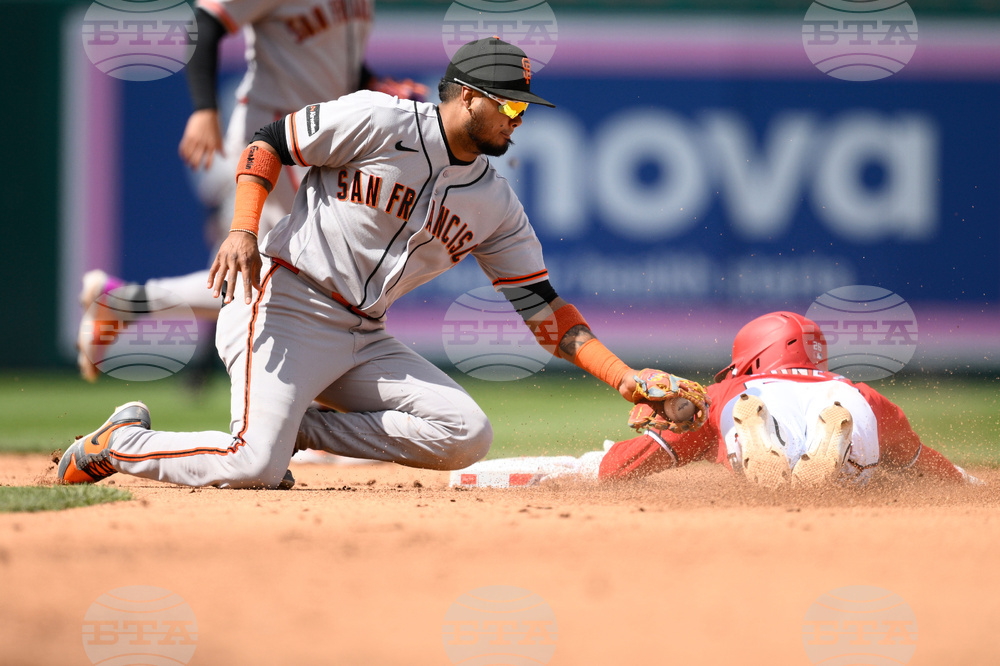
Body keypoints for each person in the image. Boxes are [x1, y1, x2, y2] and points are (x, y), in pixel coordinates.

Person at [58, 37, 710, 489]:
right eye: (510, 105)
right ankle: (118, 443)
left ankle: (291, 424)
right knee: (253, 466)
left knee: (465, 433)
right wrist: (242, 229)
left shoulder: (494, 202)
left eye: (524, 109)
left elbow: (542, 309)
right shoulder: (379, 119)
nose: (519, 120)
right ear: (469, 98)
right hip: (281, 306)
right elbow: (268, 143)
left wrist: (624, 378)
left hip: (362, 335)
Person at [76, 0, 426, 382]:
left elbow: (328, 58)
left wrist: (370, 83)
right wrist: (203, 109)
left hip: (323, 137)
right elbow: (204, 23)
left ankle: (122, 302)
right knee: (306, 270)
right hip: (277, 138)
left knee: (269, 272)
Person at [450, 311, 980, 489]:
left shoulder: (729, 391)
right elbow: (930, 468)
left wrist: (469, 476)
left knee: (631, 457)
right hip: (853, 421)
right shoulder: (861, 394)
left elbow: (620, 470)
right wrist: (970, 485)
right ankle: (835, 455)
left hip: (746, 410)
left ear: (752, 358)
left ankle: (761, 441)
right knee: (883, 468)